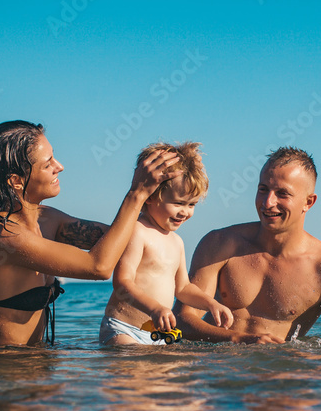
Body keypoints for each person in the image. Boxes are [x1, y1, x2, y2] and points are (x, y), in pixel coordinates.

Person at [0, 120, 180, 346]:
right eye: (47, 163)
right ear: (16, 181)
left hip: (39, 363)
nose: (59, 166)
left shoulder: (48, 220)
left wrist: (179, 176)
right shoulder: (1, 237)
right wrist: (136, 194)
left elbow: (124, 241)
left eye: (54, 157)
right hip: (4, 371)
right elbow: (98, 267)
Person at [176, 146, 321, 344]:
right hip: (216, 371)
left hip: (278, 373)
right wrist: (238, 338)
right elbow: (181, 320)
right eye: (263, 190)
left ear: (308, 202)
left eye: (282, 193)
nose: (267, 202)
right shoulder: (220, 244)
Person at [100, 142, 233, 345]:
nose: (185, 212)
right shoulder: (138, 231)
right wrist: (155, 308)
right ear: (152, 196)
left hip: (157, 334)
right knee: (131, 364)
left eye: (192, 204)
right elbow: (122, 284)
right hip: (124, 329)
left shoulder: (176, 242)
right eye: (179, 203)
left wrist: (211, 304)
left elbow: (183, 289)